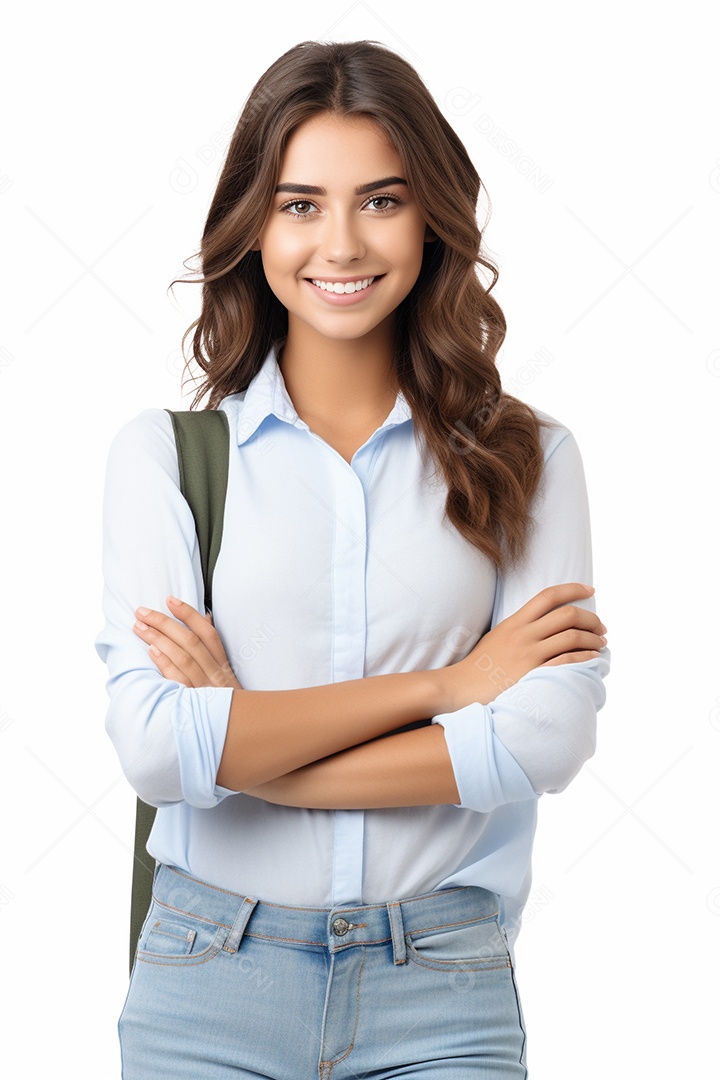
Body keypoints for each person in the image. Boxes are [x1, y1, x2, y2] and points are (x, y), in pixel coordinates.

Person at [95, 39, 610, 1079]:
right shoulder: (168, 460)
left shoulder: (530, 459)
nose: (341, 243)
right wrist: (450, 688)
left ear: (432, 219)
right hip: (209, 985)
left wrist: (247, 750)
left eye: (381, 200)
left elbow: (543, 740)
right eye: (300, 204)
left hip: (443, 991)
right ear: (253, 223)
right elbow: (154, 749)